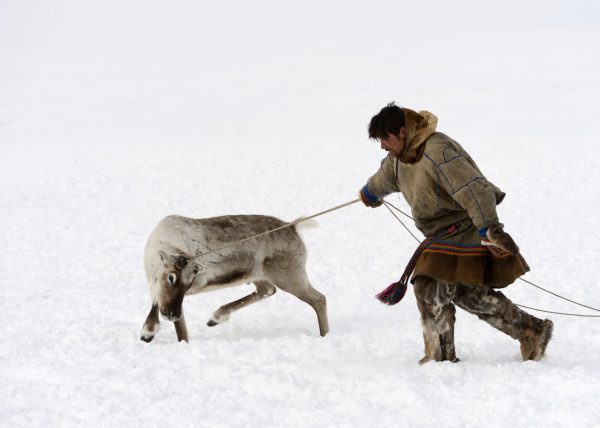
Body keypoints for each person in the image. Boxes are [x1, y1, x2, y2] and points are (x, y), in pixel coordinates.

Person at [359, 102, 553, 363]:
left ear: (402, 132)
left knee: (428, 286)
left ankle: (440, 355)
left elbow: (476, 189)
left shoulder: (438, 151)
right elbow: (385, 178)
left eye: (385, 138)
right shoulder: (399, 158)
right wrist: (370, 193)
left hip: (464, 229)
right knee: (466, 292)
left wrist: (489, 230)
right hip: (441, 234)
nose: (382, 145)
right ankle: (532, 331)